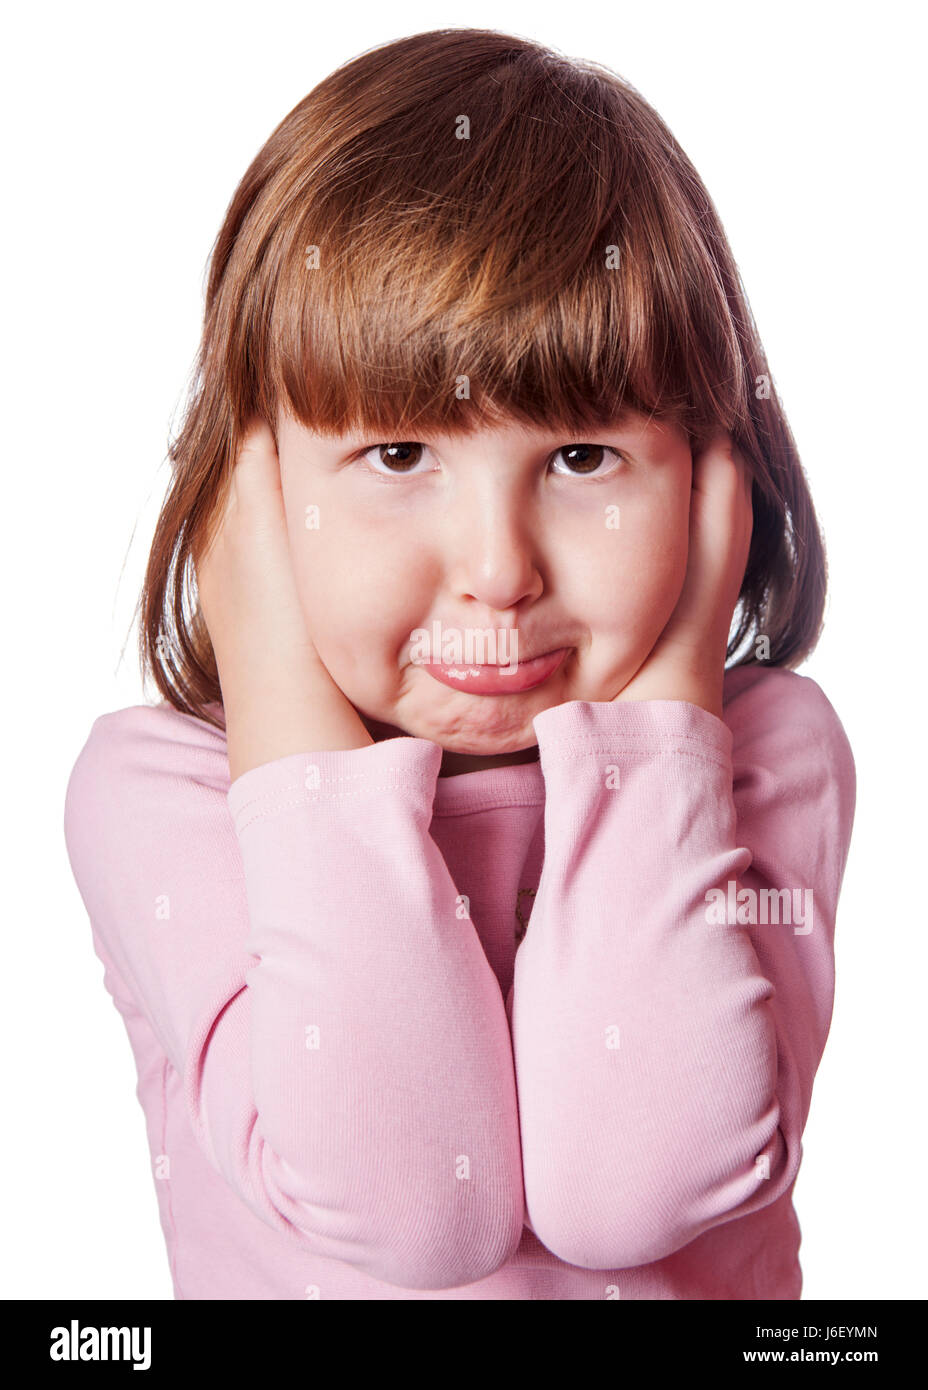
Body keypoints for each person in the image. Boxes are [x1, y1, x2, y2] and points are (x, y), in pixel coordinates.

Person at [63, 27, 856, 1299]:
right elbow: (414, 1217)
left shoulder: (761, 752)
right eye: (397, 456)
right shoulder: (163, 796)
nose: (497, 566)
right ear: (256, 491)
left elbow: (630, 1185)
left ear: (710, 479)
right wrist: (280, 683)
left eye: (583, 459)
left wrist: (660, 735)